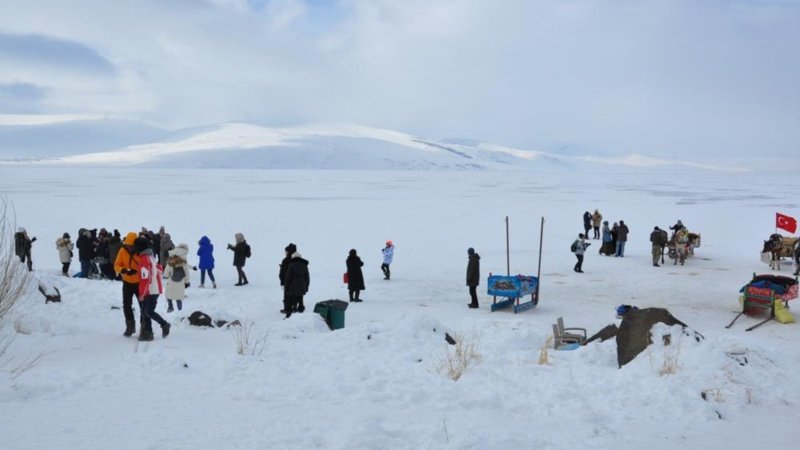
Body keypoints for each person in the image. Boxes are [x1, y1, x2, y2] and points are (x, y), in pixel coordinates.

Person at [134, 237, 170, 341]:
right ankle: (147, 333)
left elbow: (146, 278)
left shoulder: (144, 259)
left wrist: (142, 294)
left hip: (151, 290)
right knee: (145, 311)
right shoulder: (151, 257)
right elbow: (159, 269)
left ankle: (164, 324)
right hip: (154, 289)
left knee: (148, 312)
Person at [114, 232, 141, 337]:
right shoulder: (122, 250)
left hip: (139, 283)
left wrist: (136, 271)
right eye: (127, 245)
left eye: (131, 245)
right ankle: (130, 326)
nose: (129, 247)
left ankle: (144, 327)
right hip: (127, 282)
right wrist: (124, 270)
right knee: (126, 305)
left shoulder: (140, 252)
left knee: (142, 306)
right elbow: (116, 265)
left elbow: (145, 267)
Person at [164, 243, 191, 312]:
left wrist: (166, 275)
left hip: (171, 281)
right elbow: (186, 272)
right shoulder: (184, 259)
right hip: (181, 282)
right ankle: (180, 310)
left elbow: (167, 270)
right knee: (178, 296)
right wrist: (187, 282)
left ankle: (170, 307)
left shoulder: (172, 258)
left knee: (169, 295)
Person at [283, 251, 310, 318]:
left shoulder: (291, 265)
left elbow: (287, 278)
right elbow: (307, 278)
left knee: (291, 301)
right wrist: (306, 287)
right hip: (302, 287)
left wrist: (286, 288)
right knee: (300, 300)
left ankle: (290, 316)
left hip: (292, 288)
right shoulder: (304, 265)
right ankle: (300, 315)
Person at [279, 243, 298, 313]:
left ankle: (287, 309)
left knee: (287, 295)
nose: (285, 253)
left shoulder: (285, 260)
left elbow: (282, 273)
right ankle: (295, 308)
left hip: (287, 281)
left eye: (286, 251)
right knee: (295, 295)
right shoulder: (298, 259)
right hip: (297, 281)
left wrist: (282, 282)